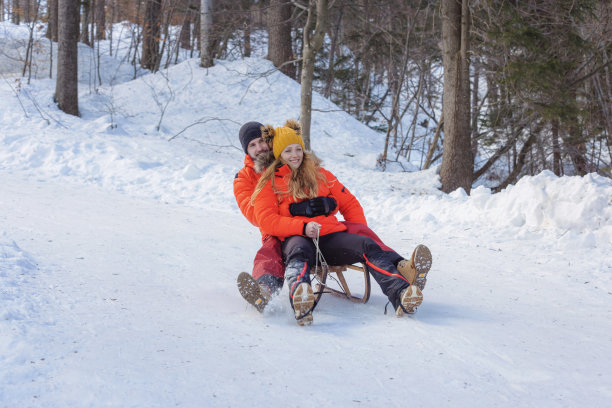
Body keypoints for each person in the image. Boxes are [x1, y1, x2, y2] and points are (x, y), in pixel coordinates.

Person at [233, 122, 431, 315]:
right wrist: (294, 211)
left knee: (362, 236)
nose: (259, 148)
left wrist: (334, 210)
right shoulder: (249, 178)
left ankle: (402, 273)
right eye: (252, 145)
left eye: (261, 141)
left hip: (322, 230)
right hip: (280, 232)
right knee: (274, 252)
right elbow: (261, 216)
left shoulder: (314, 171)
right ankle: (265, 291)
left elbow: (347, 202)